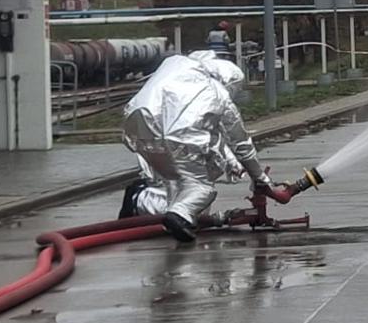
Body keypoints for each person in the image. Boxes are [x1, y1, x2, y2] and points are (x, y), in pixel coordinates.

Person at [120, 51, 284, 242]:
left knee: (181, 186)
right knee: (202, 189)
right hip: (178, 137)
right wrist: (261, 178)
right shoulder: (219, 94)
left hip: (137, 127)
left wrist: (231, 162)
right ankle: (160, 209)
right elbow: (240, 142)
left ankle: (169, 214)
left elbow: (215, 136)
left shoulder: (181, 70)